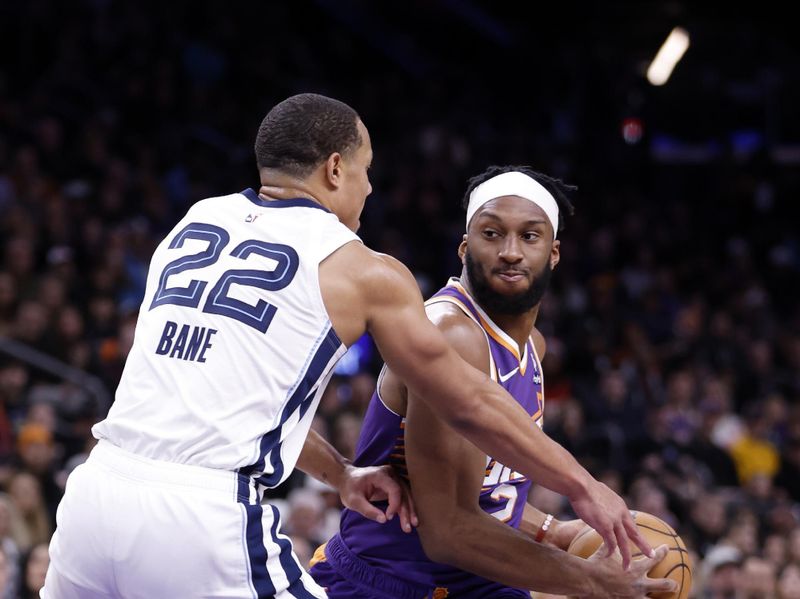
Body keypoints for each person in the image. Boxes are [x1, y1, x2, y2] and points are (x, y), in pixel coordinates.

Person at [43, 93, 660, 598]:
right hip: (200, 521)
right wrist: (583, 485)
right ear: (336, 169)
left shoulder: (193, 223)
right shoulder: (362, 267)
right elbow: (468, 402)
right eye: (366, 172)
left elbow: (214, 400)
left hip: (94, 497)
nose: (368, 192)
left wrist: (338, 472)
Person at [310, 166, 676, 598]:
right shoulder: (452, 333)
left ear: (554, 253)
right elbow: (447, 530)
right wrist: (591, 580)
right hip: (394, 583)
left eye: (530, 236)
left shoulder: (532, 348)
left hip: (482, 581)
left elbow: (486, 492)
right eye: (491, 234)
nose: (511, 252)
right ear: (464, 248)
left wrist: (551, 529)